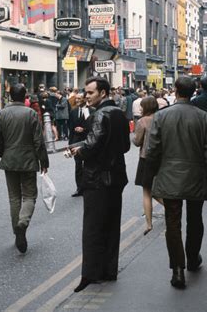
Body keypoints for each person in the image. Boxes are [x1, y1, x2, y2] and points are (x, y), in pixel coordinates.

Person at [145, 77, 207, 289]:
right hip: (196, 175)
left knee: (172, 222)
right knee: (195, 219)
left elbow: (152, 149)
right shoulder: (204, 117)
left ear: (175, 90)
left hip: (169, 174)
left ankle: (178, 269)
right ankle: (192, 258)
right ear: (194, 92)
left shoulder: (162, 116)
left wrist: (153, 174)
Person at [70, 77, 130, 292]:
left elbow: (92, 145)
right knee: (112, 225)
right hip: (117, 177)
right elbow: (125, 146)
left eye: (90, 92)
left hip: (97, 178)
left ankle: (90, 275)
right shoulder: (119, 114)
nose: (86, 96)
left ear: (103, 93)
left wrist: (80, 150)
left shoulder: (99, 115)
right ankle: (108, 270)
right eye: (86, 92)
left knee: (93, 228)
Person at [0, 83, 48, 253]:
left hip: (10, 160)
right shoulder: (30, 114)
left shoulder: (1, 114)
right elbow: (39, 141)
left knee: (14, 198)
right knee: (29, 196)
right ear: (25, 97)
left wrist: (4, 153)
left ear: (10, 96)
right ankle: (23, 223)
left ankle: (18, 232)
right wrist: (43, 161)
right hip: (29, 161)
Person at [133, 96, 160, 235]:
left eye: (142, 106)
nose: (140, 108)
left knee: (147, 191)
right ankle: (172, 209)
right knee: (159, 188)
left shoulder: (142, 121)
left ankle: (149, 224)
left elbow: (137, 141)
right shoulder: (162, 118)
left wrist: (134, 136)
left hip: (146, 158)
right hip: (161, 158)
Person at [68, 93, 91, 197]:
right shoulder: (73, 111)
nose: (77, 100)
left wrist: (84, 129)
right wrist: (70, 145)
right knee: (78, 166)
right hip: (76, 141)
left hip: (87, 141)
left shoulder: (91, 110)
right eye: (76, 98)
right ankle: (79, 188)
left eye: (79, 98)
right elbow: (70, 129)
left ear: (84, 99)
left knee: (88, 164)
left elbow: (93, 126)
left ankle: (88, 186)